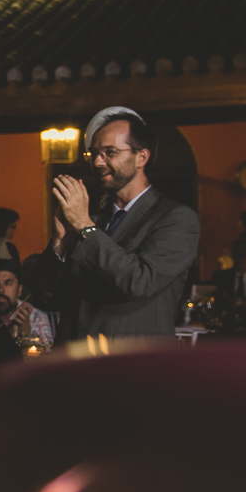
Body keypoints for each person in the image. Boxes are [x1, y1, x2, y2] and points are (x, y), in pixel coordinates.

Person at [44, 107, 200, 339]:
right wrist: (59, 244)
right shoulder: (93, 216)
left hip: (131, 358)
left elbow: (138, 282)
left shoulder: (176, 218)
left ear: (141, 157)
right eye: (93, 154)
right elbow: (45, 294)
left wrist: (85, 226)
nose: (98, 162)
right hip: (76, 356)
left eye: (110, 152)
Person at [0, 260, 54, 346]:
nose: (0, 290)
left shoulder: (36, 316)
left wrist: (27, 335)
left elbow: (48, 351)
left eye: (8, 283)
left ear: (19, 289)